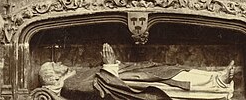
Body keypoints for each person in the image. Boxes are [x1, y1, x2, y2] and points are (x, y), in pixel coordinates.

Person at [93, 43, 235, 100]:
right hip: (126, 84)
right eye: (68, 70)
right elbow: (102, 91)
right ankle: (216, 85)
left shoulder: (74, 78)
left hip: (125, 73)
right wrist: (109, 67)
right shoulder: (72, 85)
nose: (70, 70)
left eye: (68, 69)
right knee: (172, 84)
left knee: (173, 71)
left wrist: (114, 65)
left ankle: (216, 79)